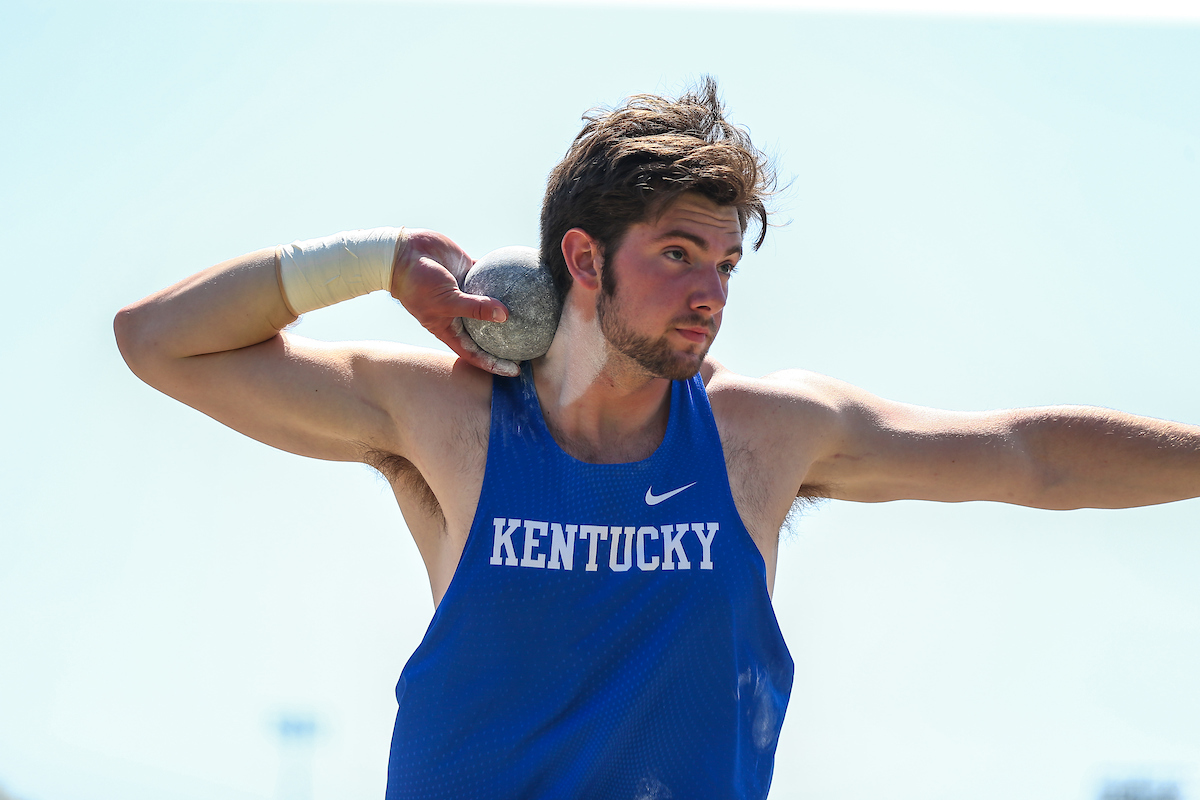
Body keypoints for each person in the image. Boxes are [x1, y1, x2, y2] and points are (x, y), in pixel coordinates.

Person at [114, 78, 1200, 800]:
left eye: (726, 263)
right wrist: (377, 257)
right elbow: (159, 342)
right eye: (679, 253)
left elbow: (1027, 455)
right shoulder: (446, 419)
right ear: (581, 261)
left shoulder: (760, 437)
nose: (710, 291)